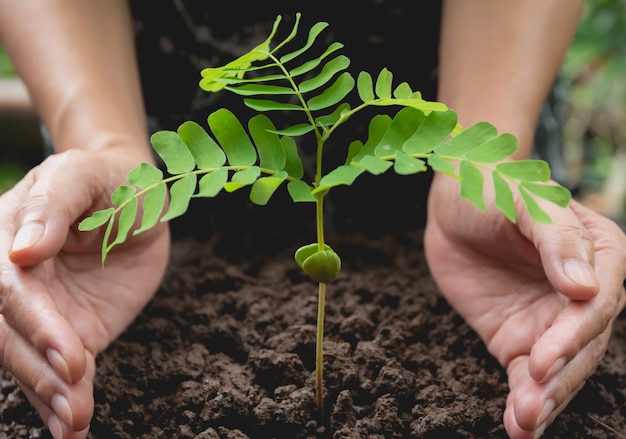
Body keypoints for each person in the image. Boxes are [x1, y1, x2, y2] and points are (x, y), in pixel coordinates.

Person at [0, 1, 624, 438]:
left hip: (485, 74)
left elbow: (463, 142)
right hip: (139, 96)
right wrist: (107, 145)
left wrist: (485, 158)